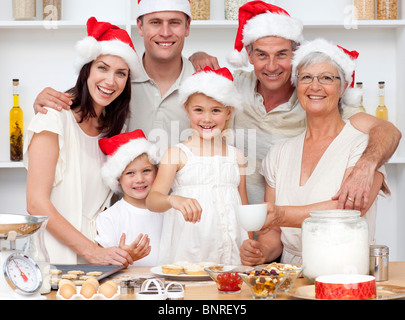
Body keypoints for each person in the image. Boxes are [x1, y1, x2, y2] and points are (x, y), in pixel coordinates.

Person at [191, 1, 401, 210]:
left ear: (295, 54)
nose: (271, 66)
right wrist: (195, 56)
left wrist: (365, 166)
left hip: (288, 222)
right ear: (249, 54)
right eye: (262, 54)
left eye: (282, 54)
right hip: (236, 219)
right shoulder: (233, 87)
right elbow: (192, 98)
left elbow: (388, 131)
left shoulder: (313, 98)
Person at [244, 38, 390, 265]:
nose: (315, 86)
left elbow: (347, 211)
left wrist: (281, 214)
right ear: (297, 86)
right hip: (290, 278)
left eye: (326, 78)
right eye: (306, 78)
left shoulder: (365, 146)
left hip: (344, 271)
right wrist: (261, 251)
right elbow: (272, 235)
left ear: (342, 89)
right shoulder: (279, 153)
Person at [24, 17, 140, 265]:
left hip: (97, 264)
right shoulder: (53, 118)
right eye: (102, 68)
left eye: (121, 73)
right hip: (53, 260)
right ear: (87, 69)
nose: (111, 81)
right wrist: (91, 252)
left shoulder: (112, 130)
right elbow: (36, 203)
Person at [32, 0, 219, 150]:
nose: (165, 32)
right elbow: (82, 116)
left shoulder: (207, 84)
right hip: (123, 198)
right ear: (140, 26)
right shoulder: (116, 84)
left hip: (188, 197)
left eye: (174, 23)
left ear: (187, 27)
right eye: (155, 22)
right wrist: (48, 104)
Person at [146, 67, 249, 264]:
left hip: (232, 257)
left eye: (216, 110)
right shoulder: (176, 154)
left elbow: (243, 207)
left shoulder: (237, 157)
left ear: (229, 112)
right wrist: (173, 200)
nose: (207, 119)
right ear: (187, 110)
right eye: (198, 110)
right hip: (189, 256)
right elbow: (152, 200)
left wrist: (249, 244)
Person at [95, 129, 163, 266]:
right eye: (130, 173)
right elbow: (104, 265)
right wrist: (125, 257)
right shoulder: (109, 217)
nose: (139, 179)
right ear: (118, 178)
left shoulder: (166, 210)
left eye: (146, 171)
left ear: (156, 172)